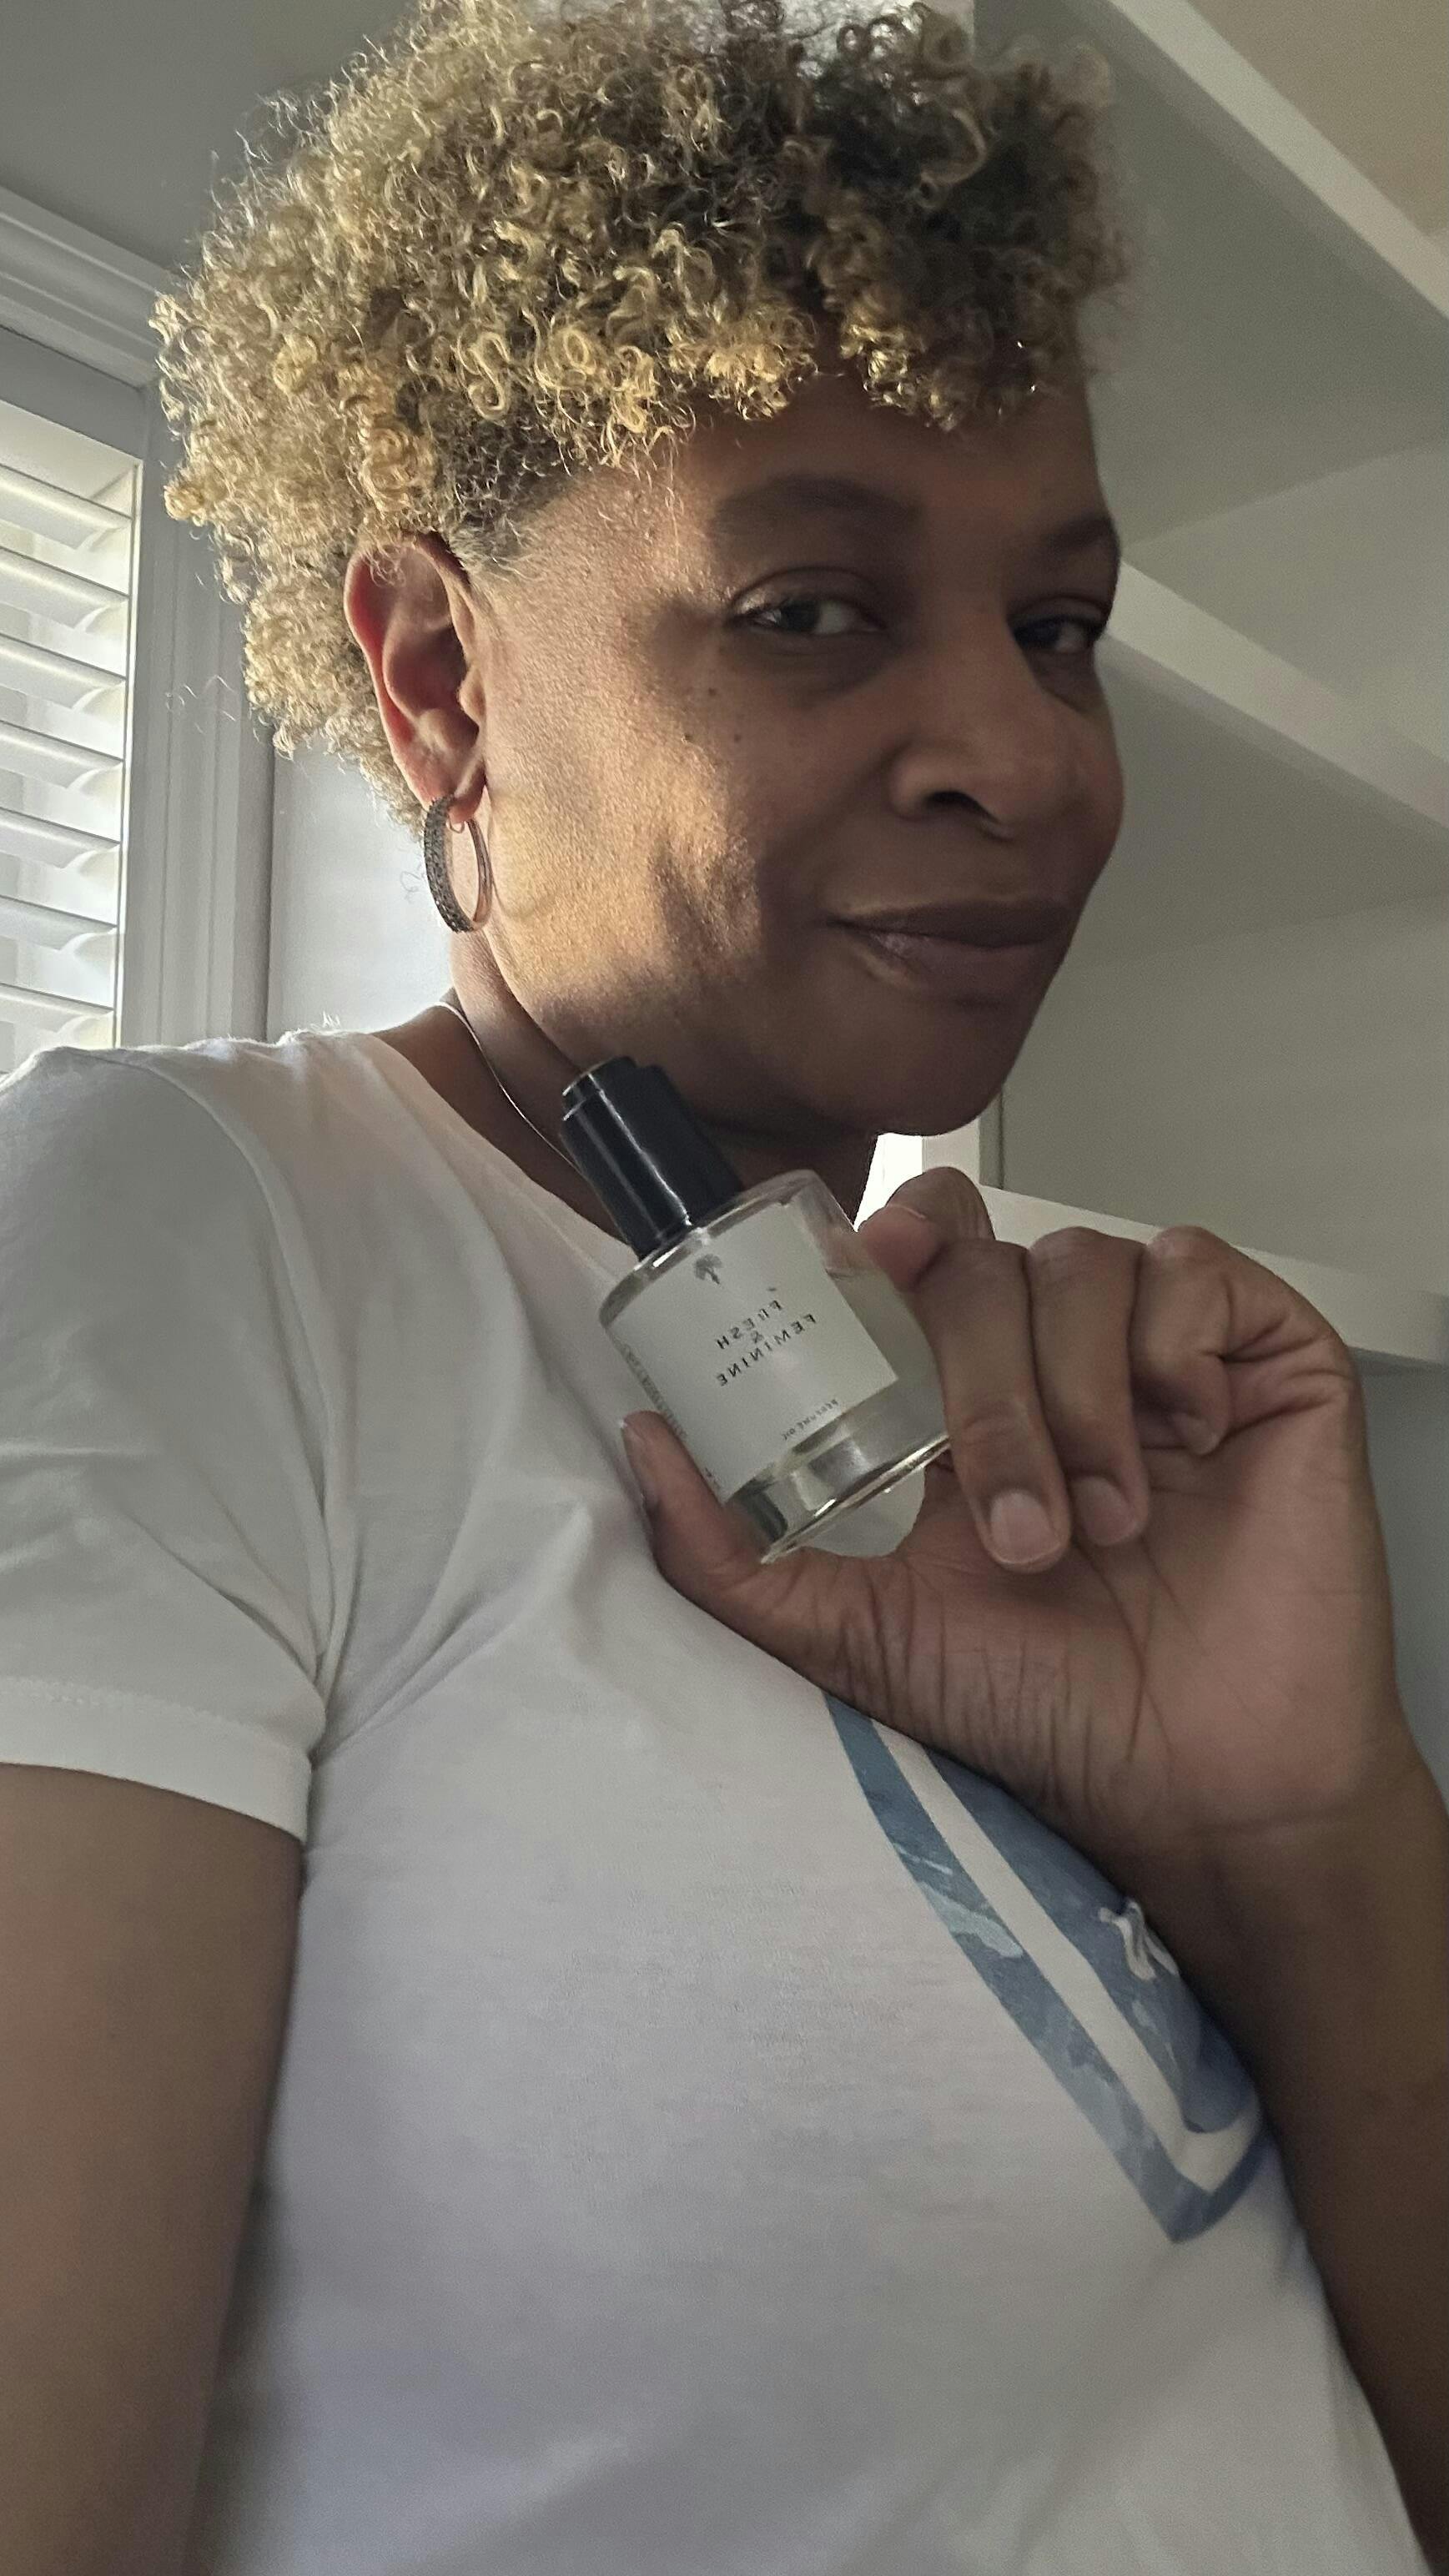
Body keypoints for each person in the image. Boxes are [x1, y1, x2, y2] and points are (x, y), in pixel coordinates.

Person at [1, 0, 1443, 2568]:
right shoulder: (193, 1242)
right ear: (441, 678)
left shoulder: (1008, 1409)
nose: (1023, 755)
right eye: (805, 608)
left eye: (1059, 626)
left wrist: (1295, 1820)